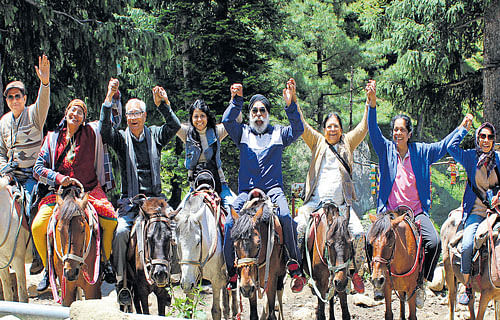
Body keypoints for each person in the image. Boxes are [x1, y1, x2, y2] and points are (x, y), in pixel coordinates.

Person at [368, 88, 463, 308]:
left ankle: (420, 283)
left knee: (434, 242)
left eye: (402, 130)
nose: (397, 133)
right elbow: (373, 131)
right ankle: (376, 281)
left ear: (409, 133)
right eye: (395, 130)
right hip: (390, 213)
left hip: (415, 213)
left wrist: (462, 130)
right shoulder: (385, 150)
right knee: (368, 239)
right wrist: (372, 105)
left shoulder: (421, 151)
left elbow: (443, 146)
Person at [99, 79, 181, 303]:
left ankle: (173, 277)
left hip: (156, 202)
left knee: (176, 226)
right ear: (126, 117)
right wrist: (109, 99)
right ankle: (122, 282)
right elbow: (104, 130)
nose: (133, 118)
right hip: (132, 203)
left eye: (137, 113)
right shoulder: (121, 139)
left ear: (145, 116)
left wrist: (163, 104)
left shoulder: (155, 135)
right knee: (121, 233)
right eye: (129, 114)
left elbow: (174, 126)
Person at [222, 79, 307, 293]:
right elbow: (226, 120)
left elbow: (298, 128)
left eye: (262, 111)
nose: (258, 115)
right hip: (245, 191)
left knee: (286, 216)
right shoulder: (242, 133)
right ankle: (232, 272)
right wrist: (236, 100)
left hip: (273, 190)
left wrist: (291, 104)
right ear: (250, 114)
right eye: (254, 111)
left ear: (268, 113)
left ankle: (293, 264)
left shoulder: (278, 133)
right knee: (229, 224)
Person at [295, 79, 374, 294]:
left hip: (341, 205)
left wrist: (369, 102)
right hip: (315, 203)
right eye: (329, 126)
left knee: (358, 234)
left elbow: (364, 127)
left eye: (336, 126)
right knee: (299, 228)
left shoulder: (348, 142)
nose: (332, 129)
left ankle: (356, 272)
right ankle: (300, 272)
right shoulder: (317, 142)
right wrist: (293, 100)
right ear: (324, 129)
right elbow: (301, 124)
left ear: (341, 129)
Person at [32, 99, 117, 291]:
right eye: (73, 110)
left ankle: (105, 261)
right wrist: (59, 177)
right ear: (66, 112)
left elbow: (109, 120)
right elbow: (37, 169)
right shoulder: (52, 138)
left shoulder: (93, 133)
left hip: (88, 190)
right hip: (60, 193)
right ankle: (50, 269)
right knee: (38, 226)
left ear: (84, 118)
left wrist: (111, 97)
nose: (75, 114)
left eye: (80, 112)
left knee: (110, 220)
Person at [0, 55, 51, 274]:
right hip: (11, 175)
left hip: (32, 176)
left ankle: (39, 256)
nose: (14, 100)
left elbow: (44, 101)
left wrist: (45, 82)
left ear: (24, 97)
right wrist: (4, 170)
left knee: (31, 206)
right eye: (10, 97)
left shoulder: (34, 114)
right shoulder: (4, 122)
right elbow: (1, 151)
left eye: (17, 96)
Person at [447, 118, 499, 305]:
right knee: (468, 244)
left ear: (493, 139)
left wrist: (498, 196)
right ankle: (467, 285)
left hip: (497, 211)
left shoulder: (499, 159)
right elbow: (450, 148)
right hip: (476, 212)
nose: (486, 140)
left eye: (490, 137)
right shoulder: (470, 157)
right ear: (477, 139)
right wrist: (463, 129)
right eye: (482, 136)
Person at [167, 98, 236, 211]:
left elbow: (233, 121)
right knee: (179, 216)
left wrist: (234, 100)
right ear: (191, 118)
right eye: (196, 116)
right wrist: (166, 104)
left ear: (207, 117)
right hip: (195, 187)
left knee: (234, 212)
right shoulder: (187, 133)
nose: (199, 119)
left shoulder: (216, 131)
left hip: (219, 184)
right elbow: (172, 123)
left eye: (202, 116)